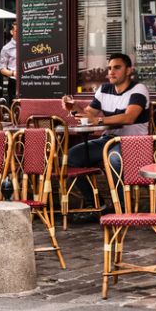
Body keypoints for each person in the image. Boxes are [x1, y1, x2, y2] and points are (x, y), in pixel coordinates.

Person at [62, 54, 149, 217]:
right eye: (109, 68)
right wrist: (74, 109)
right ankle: (95, 204)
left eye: (117, 67)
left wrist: (98, 120)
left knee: (114, 158)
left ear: (128, 70)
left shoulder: (138, 89)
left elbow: (129, 117)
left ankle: (124, 210)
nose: (111, 72)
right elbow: (88, 114)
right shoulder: (104, 89)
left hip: (133, 142)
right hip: (108, 139)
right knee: (71, 157)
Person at [0, 21, 18, 102]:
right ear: (11, 32)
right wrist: (13, 73)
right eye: (17, 31)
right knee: (15, 107)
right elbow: (2, 69)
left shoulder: (28, 46)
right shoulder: (6, 48)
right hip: (14, 82)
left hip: (28, 81)